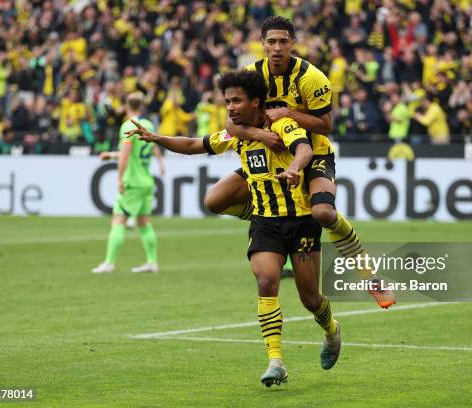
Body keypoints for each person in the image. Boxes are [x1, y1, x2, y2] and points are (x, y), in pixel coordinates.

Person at [126, 70, 341, 387]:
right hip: (266, 222)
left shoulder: (279, 123)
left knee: (311, 299)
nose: (229, 107)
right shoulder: (237, 134)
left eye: (236, 100)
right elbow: (192, 144)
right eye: (227, 101)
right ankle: (275, 361)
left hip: (300, 218)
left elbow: (305, 150)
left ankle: (331, 330)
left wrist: (295, 168)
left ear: (256, 101)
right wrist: (158, 139)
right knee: (266, 280)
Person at [203, 16, 395, 308]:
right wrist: (261, 135)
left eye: (283, 41)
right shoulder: (250, 74)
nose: (277, 48)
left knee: (323, 214)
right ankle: (263, 212)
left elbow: (326, 125)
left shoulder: (312, 78)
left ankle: (370, 276)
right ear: (263, 44)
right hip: (270, 156)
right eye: (271, 42)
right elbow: (232, 124)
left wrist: (289, 113)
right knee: (215, 200)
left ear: (292, 43)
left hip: (313, 153)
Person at [92, 92, 165, 274]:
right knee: (143, 222)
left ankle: (109, 263)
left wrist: (119, 179)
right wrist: (161, 163)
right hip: (147, 181)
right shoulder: (147, 124)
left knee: (118, 220)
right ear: (141, 106)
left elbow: (125, 154)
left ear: (125, 106)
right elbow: (149, 147)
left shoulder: (127, 125)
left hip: (132, 182)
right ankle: (152, 262)